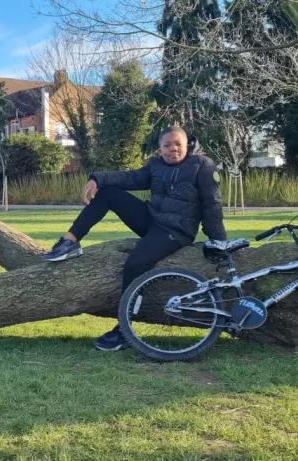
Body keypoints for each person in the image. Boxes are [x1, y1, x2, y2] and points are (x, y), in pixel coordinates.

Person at [43, 126, 228, 351]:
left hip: (176, 230)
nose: (173, 149)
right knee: (108, 193)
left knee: (136, 262)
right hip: (151, 219)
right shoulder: (155, 165)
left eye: (177, 144)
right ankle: (69, 242)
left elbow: (212, 205)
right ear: (160, 149)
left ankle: (125, 328)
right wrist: (98, 179)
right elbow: (130, 177)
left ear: (187, 144)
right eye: (167, 145)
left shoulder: (202, 166)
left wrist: (218, 241)